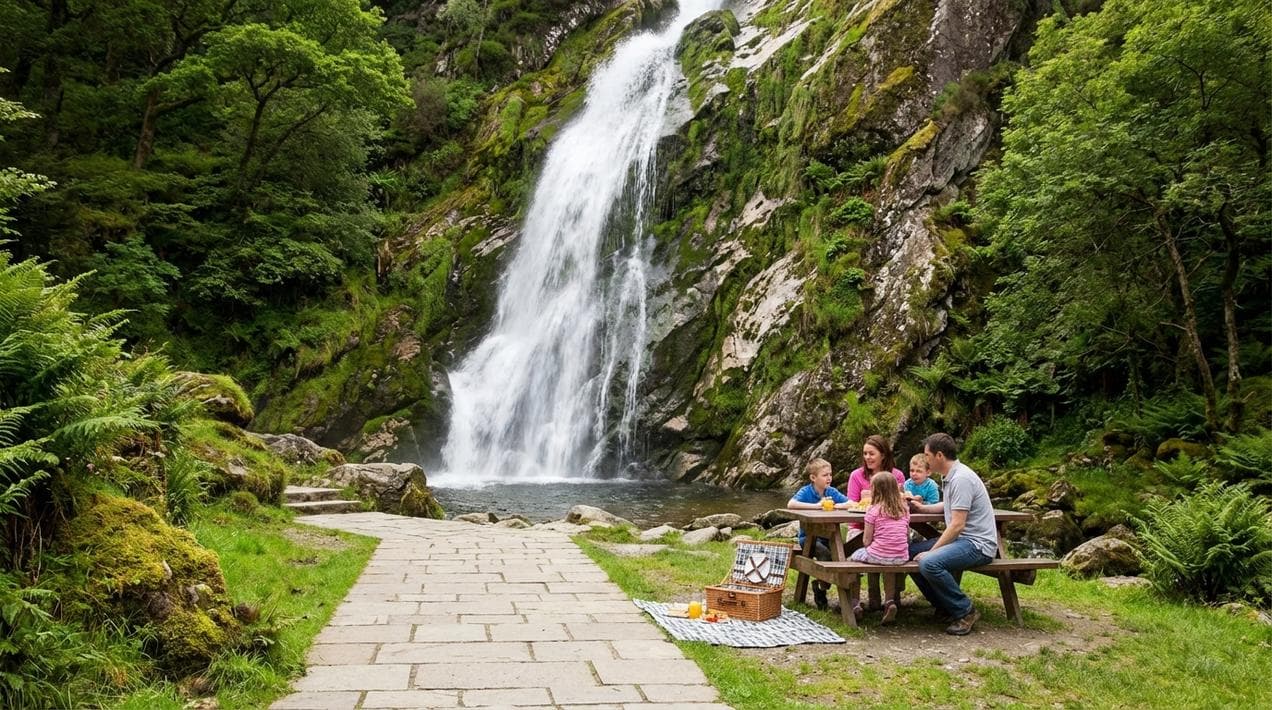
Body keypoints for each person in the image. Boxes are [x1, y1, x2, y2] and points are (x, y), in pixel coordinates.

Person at [907, 433, 999, 635]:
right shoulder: (951, 476)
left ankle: (965, 610)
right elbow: (949, 506)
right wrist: (922, 509)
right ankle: (945, 606)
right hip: (963, 541)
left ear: (939, 455)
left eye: (927, 455)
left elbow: (957, 525)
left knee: (929, 562)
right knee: (906, 552)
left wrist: (932, 551)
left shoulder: (961, 479)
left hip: (977, 545)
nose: (926, 460)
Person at [787, 458, 850, 610]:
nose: (829, 478)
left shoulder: (831, 492)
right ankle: (821, 587)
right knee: (825, 554)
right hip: (807, 538)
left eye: (830, 474)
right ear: (813, 478)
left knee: (840, 554)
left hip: (828, 536)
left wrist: (837, 506)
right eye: (825, 475)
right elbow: (791, 504)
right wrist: (816, 506)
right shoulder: (806, 491)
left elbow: (851, 503)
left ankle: (821, 587)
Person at [849, 470, 911, 624]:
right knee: (888, 565)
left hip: (879, 554)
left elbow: (866, 541)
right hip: (901, 557)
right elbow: (906, 533)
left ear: (875, 490)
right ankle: (890, 601)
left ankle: (854, 602)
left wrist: (872, 547)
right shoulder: (904, 510)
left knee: (851, 560)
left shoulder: (873, 511)